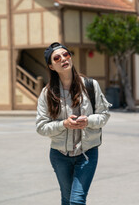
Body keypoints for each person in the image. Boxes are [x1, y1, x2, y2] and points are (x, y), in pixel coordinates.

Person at [36, 42, 111, 205]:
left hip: (87, 154)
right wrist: (64, 124)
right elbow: (41, 127)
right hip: (59, 155)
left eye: (66, 54)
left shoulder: (90, 85)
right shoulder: (47, 93)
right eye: (57, 57)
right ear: (51, 66)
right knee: (66, 198)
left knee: (76, 200)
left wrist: (88, 121)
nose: (63, 58)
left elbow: (104, 115)